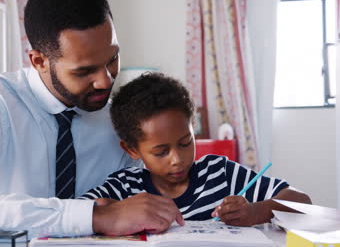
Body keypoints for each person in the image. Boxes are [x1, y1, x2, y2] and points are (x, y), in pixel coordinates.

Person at [0, 0, 183, 239]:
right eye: (84, 71)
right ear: (39, 61)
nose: (105, 81)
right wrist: (92, 216)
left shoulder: (120, 119)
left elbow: (151, 194)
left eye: (112, 60)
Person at [80, 72, 312, 226]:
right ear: (132, 150)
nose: (177, 159)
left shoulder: (221, 174)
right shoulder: (125, 186)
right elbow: (78, 212)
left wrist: (255, 212)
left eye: (185, 143)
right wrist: (112, 211)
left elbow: (301, 201)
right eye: (161, 152)